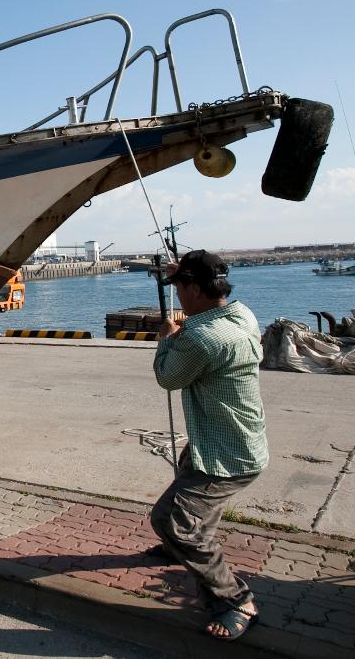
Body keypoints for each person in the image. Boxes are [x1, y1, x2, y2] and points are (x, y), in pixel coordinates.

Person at [150, 249, 268, 642]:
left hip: (227, 454)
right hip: (222, 438)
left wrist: (166, 340)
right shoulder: (241, 315)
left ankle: (234, 600)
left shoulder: (201, 338)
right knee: (193, 505)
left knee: (170, 520)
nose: (177, 295)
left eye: (180, 287)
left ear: (196, 289)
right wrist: (182, 271)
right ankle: (179, 549)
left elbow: (168, 378)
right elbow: (199, 301)